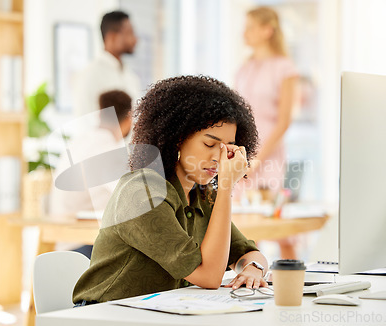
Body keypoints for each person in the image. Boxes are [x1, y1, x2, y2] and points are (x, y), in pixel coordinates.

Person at [72, 75, 268, 306]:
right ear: (177, 139)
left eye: (227, 148)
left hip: (159, 313)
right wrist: (225, 186)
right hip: (103, 316)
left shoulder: (201, 194)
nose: (219, 158)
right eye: (209, 144)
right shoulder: (142, 192)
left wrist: (253, 270)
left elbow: (247, 252)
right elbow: (208, 276)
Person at [234, 6, 299, 259]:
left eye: (250, 27)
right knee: (246, 228)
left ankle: (296, 283)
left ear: (267, 30)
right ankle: (252, 282)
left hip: (269, 154)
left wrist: (258, 159)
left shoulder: (285, 68)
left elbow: (284, 122)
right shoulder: (244, 68)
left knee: (277, 225)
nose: (245, 33)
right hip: (243, 152)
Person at [49, 90, 133, 257]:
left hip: (63, 240)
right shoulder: (106, 148)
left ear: (100, 114)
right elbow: (129, 195)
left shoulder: (80, 141)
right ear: (130, 117)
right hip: (84, 246)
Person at [74, 11, 140, 117]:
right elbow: (85, 122)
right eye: (130, 33)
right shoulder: (90, 75)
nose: (136, 39)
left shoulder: (130, 76)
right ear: (112, 37)